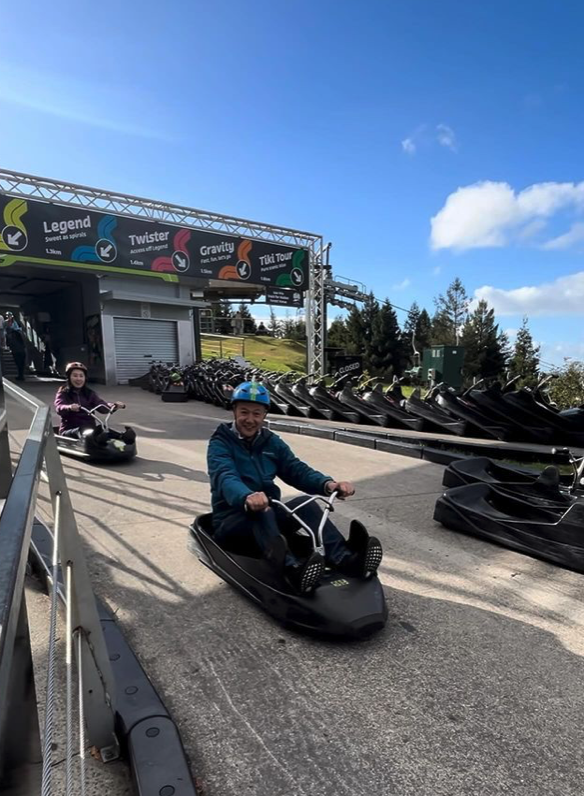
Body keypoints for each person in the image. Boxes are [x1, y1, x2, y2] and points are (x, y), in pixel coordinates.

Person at [207, 381, 383, 593]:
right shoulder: (220, 443)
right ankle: (291, 570)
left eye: (256, 414)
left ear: (264, 415)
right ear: (234, 411)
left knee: (306, 504)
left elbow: (296, 469)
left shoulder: (270, 442)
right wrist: (246, 496)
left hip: (268, 516)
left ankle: (344, 559)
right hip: (232, 523)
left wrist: (328, 484)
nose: (250, 420)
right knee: (262, 511)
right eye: (244, 412)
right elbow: (225, 476)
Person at [54, 362, 135, 444]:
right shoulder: (63, 393)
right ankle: (98, 440)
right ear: (69, 377)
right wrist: (69, 407)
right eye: (75, 376)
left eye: (81, 376)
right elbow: (59, 407)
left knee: (101, 428)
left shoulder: (89, 393)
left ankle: (123, 437)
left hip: (89, 429)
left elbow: (102, 406)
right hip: (69, 430)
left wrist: (114, 406)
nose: (78, 379)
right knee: (84, 430)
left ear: (85, 378)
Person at [5, 312, 26, 380]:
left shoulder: (12, 333)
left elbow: (9, 341)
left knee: (18, 362)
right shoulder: (18, 333)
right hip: (21, 349)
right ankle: (21, 375)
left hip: (16, 350)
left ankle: (20, 375)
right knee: (21, 363)